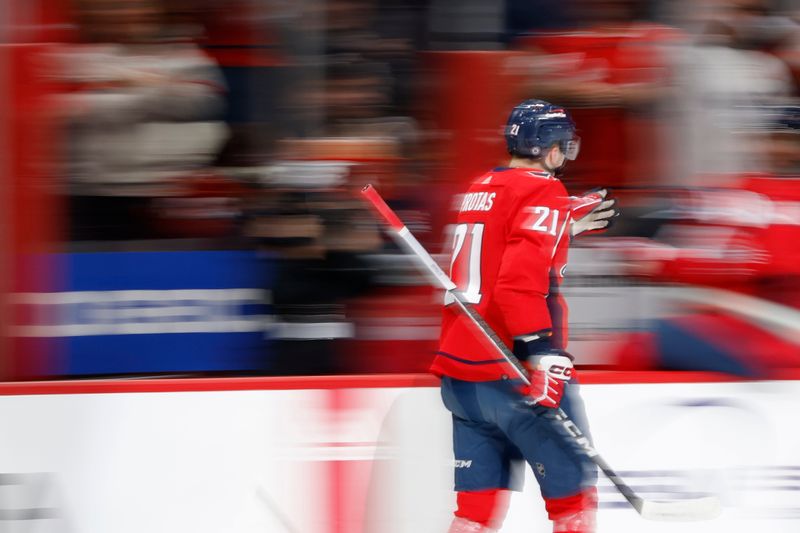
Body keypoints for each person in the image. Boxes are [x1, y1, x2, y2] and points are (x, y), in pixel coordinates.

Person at [433, 100, 618, 533]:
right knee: (573, 504)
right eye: (564, 146)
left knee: (474, 513)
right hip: (516, 369)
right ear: (551, 149)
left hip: (463, 374)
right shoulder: (545, 190)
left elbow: (496, 247)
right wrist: (541, 351)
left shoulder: (481, 184)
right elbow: (516, 283)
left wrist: (560, 228)